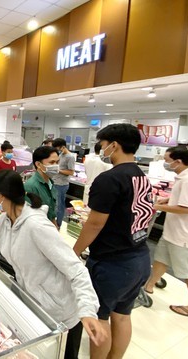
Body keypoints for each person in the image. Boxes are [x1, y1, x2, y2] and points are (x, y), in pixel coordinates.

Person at [0, 170, 105, 359]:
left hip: (62, 312)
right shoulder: (4, 221)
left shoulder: (37, 226)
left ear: (2, 195)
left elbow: (76, 270)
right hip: (36, 304)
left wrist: (88, 310)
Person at [73, 124, 154, 359]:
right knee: (123, 315)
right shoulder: (142, 177)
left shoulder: (109, 179)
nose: (101, 149)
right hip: (139, 258)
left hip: (112, 263)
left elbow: (95, 223)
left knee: (99, 317)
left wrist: (75, 251)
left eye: (102, 144)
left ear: (114, 145)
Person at [143, 146, 188, 320]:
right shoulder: (183, 177)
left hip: (185, 235)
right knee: (161, 259)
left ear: (178, 161)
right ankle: (149, 285)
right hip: (172, 232)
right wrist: (168, 199)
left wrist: (158, 206)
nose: (165, 163)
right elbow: (183, 200)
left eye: (166, 160)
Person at [24, 146, 59, 226]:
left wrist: (55, 227)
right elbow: (28, 218)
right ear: (38, 164)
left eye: (57, 162)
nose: (56, 165)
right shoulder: (31, 186)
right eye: (52, 162)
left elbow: (51, 211)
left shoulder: (50, 183)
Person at [52, 138, 75, 228]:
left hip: (62, 184)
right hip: (55, 182)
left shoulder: (70, 157)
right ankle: (54, 222)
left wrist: (58, 170)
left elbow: (71, 172)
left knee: (60, 206)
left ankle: (58, 224)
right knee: (54, 204)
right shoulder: (61, 154)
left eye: (58, 148)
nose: (57, 150)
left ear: (63, 147)